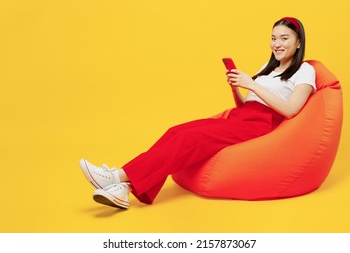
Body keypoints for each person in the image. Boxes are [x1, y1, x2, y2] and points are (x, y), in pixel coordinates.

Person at [79, 17, 316, 209]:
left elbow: (292, 109)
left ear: (298, 42)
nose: (277, 44)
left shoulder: (305, 70)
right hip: (242, 118)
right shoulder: (268, 69)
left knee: (188, 139)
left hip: (262, 125)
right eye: (273, 38)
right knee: (176, 131)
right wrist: (237, 89)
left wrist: (253, 84)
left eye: (284, 38)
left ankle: (117, 176)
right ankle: (125, 189)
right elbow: (244, 107)